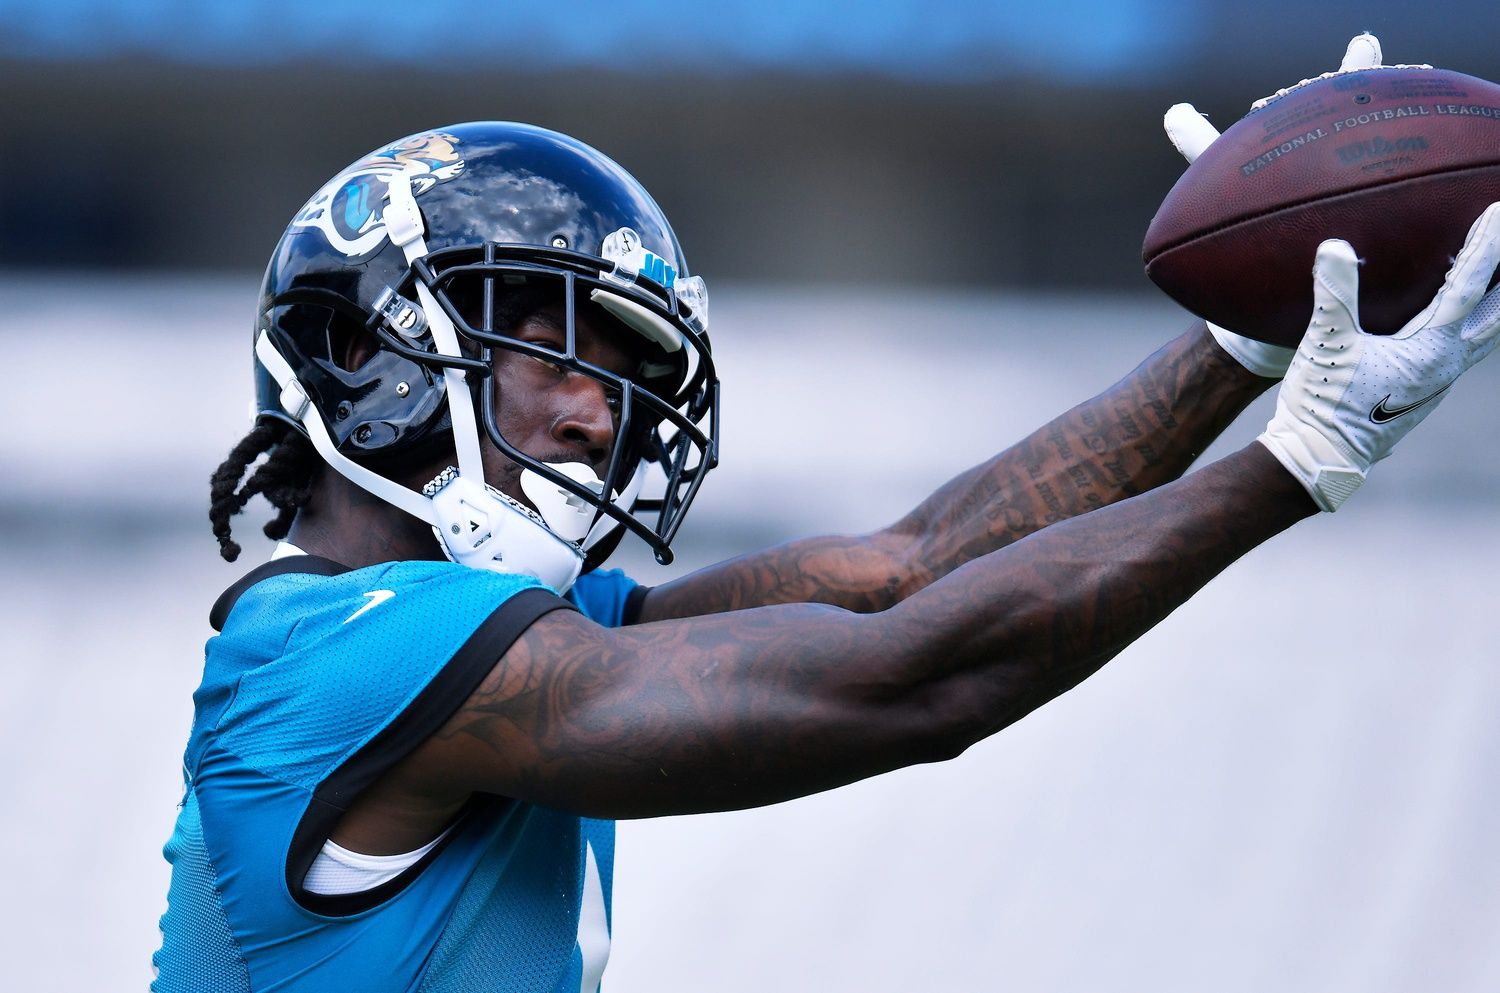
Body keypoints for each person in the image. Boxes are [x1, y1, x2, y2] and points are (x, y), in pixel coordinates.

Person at [153, 35, 1500, 993]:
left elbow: (900, 576)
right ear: (372, 348)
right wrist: (1295, 463)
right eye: (562, 350)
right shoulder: (346, 654)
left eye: (631, 382)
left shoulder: (481, 640)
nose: (598, 415)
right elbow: (907, 683)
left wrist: (1240, 343)